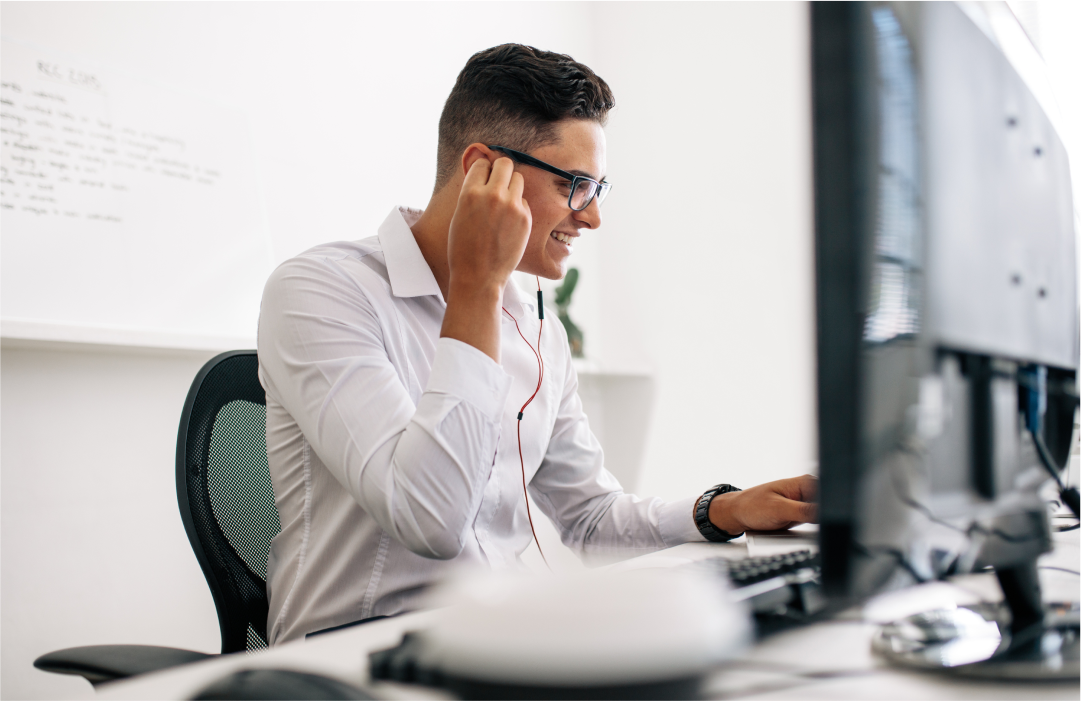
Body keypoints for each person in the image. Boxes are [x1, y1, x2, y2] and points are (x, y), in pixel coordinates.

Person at [257, 43, 817, 645]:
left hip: (502, 636)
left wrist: (725, 511)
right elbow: (430, 519)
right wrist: (477, 285)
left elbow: (590, 518)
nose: (593, 217)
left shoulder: (536, 326)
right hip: (360, 651)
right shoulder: (321, 291)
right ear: (482, 173)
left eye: (599, 187)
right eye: (575, 184)